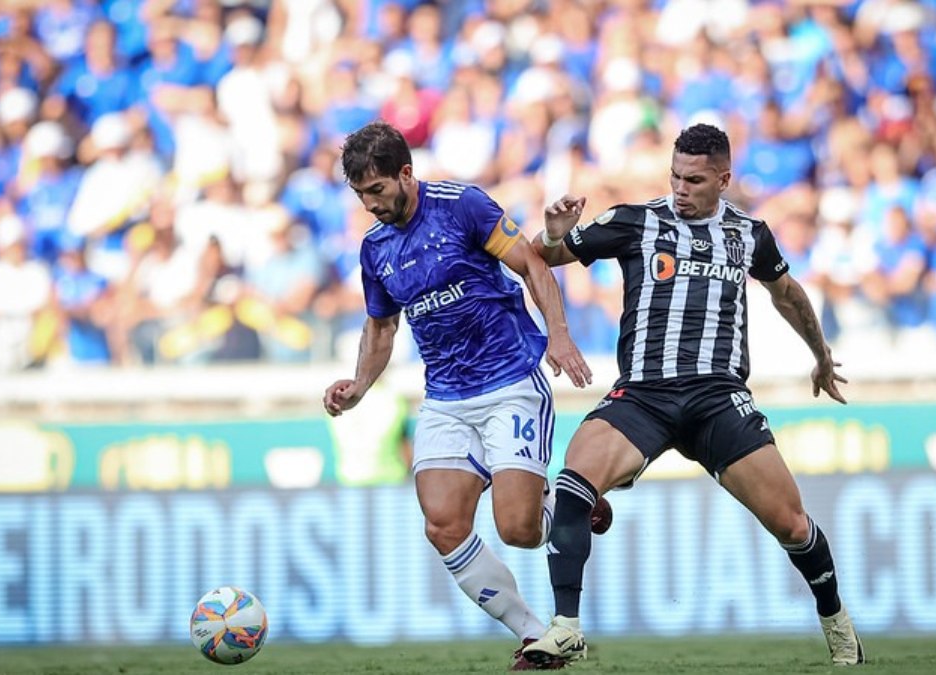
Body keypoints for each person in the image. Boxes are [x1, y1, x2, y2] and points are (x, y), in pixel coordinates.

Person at [522, 123, 864, 667]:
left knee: (793, 524)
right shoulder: (635, 221)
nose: (681, 189)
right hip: (643, 396)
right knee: (574, 477)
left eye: (695, 180)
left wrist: (820, 355)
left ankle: (836, 620)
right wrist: (553, 232)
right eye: (675, 177)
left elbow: (786, 293)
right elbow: (541, 257)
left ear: (724, 180)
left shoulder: (751, 234)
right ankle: (566, 627)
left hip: (717, 397)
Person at [322, 121, 607, 671]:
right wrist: (358, 386)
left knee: (518, 530)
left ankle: (569, 504)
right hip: (446, 397)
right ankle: (534, 635)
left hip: (509, 383)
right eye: (360, 195)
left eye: (376, 191)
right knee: (443, 525)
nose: (370, 205)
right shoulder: (375, 249)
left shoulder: (462, 207)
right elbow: (381, 329)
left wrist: (560, 336)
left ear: (406, 173)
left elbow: (530, 263)